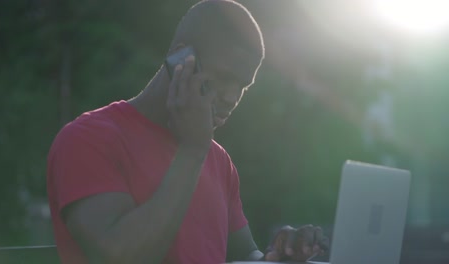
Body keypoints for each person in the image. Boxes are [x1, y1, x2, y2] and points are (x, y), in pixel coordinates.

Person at [47, 1, 328, 263]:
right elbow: (119, 254)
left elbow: (243, 256)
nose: (232, 97)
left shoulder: (219, 161)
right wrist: (192, 151)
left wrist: (277, 257)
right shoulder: (87, 139)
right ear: (180, 57)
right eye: (225, 77)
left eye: (242, 86)